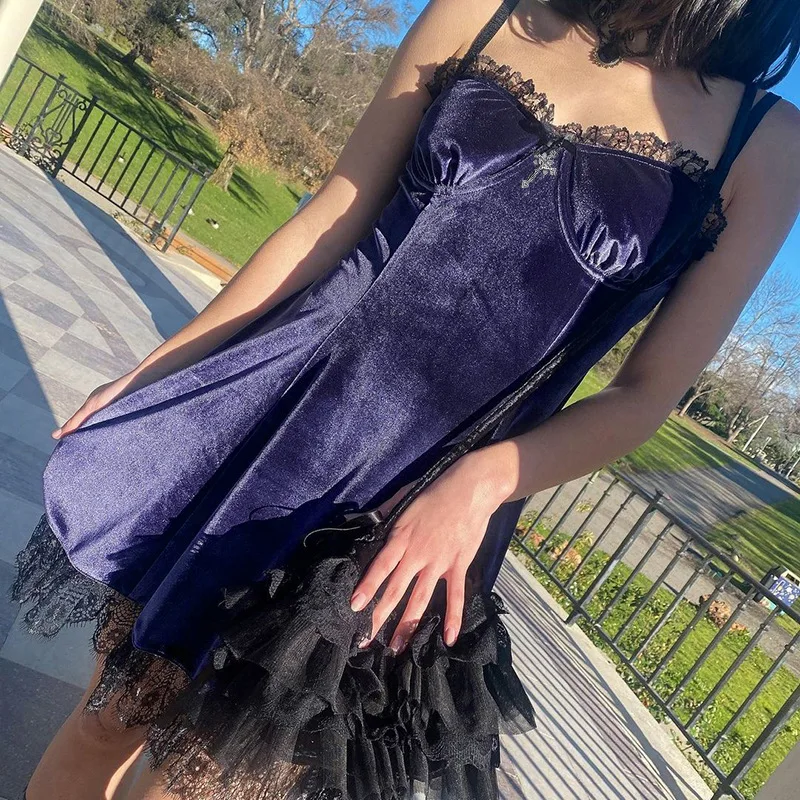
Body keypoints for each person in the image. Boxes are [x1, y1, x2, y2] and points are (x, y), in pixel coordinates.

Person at [9, 0, 800, 798]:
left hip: (413, 512)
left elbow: (645, 395)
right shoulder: (483, 13)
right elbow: (330, 219)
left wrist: (484, 483)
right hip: (272, 415)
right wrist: (159, 369)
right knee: (108, 719)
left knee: (191, 784)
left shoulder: (766, 142)